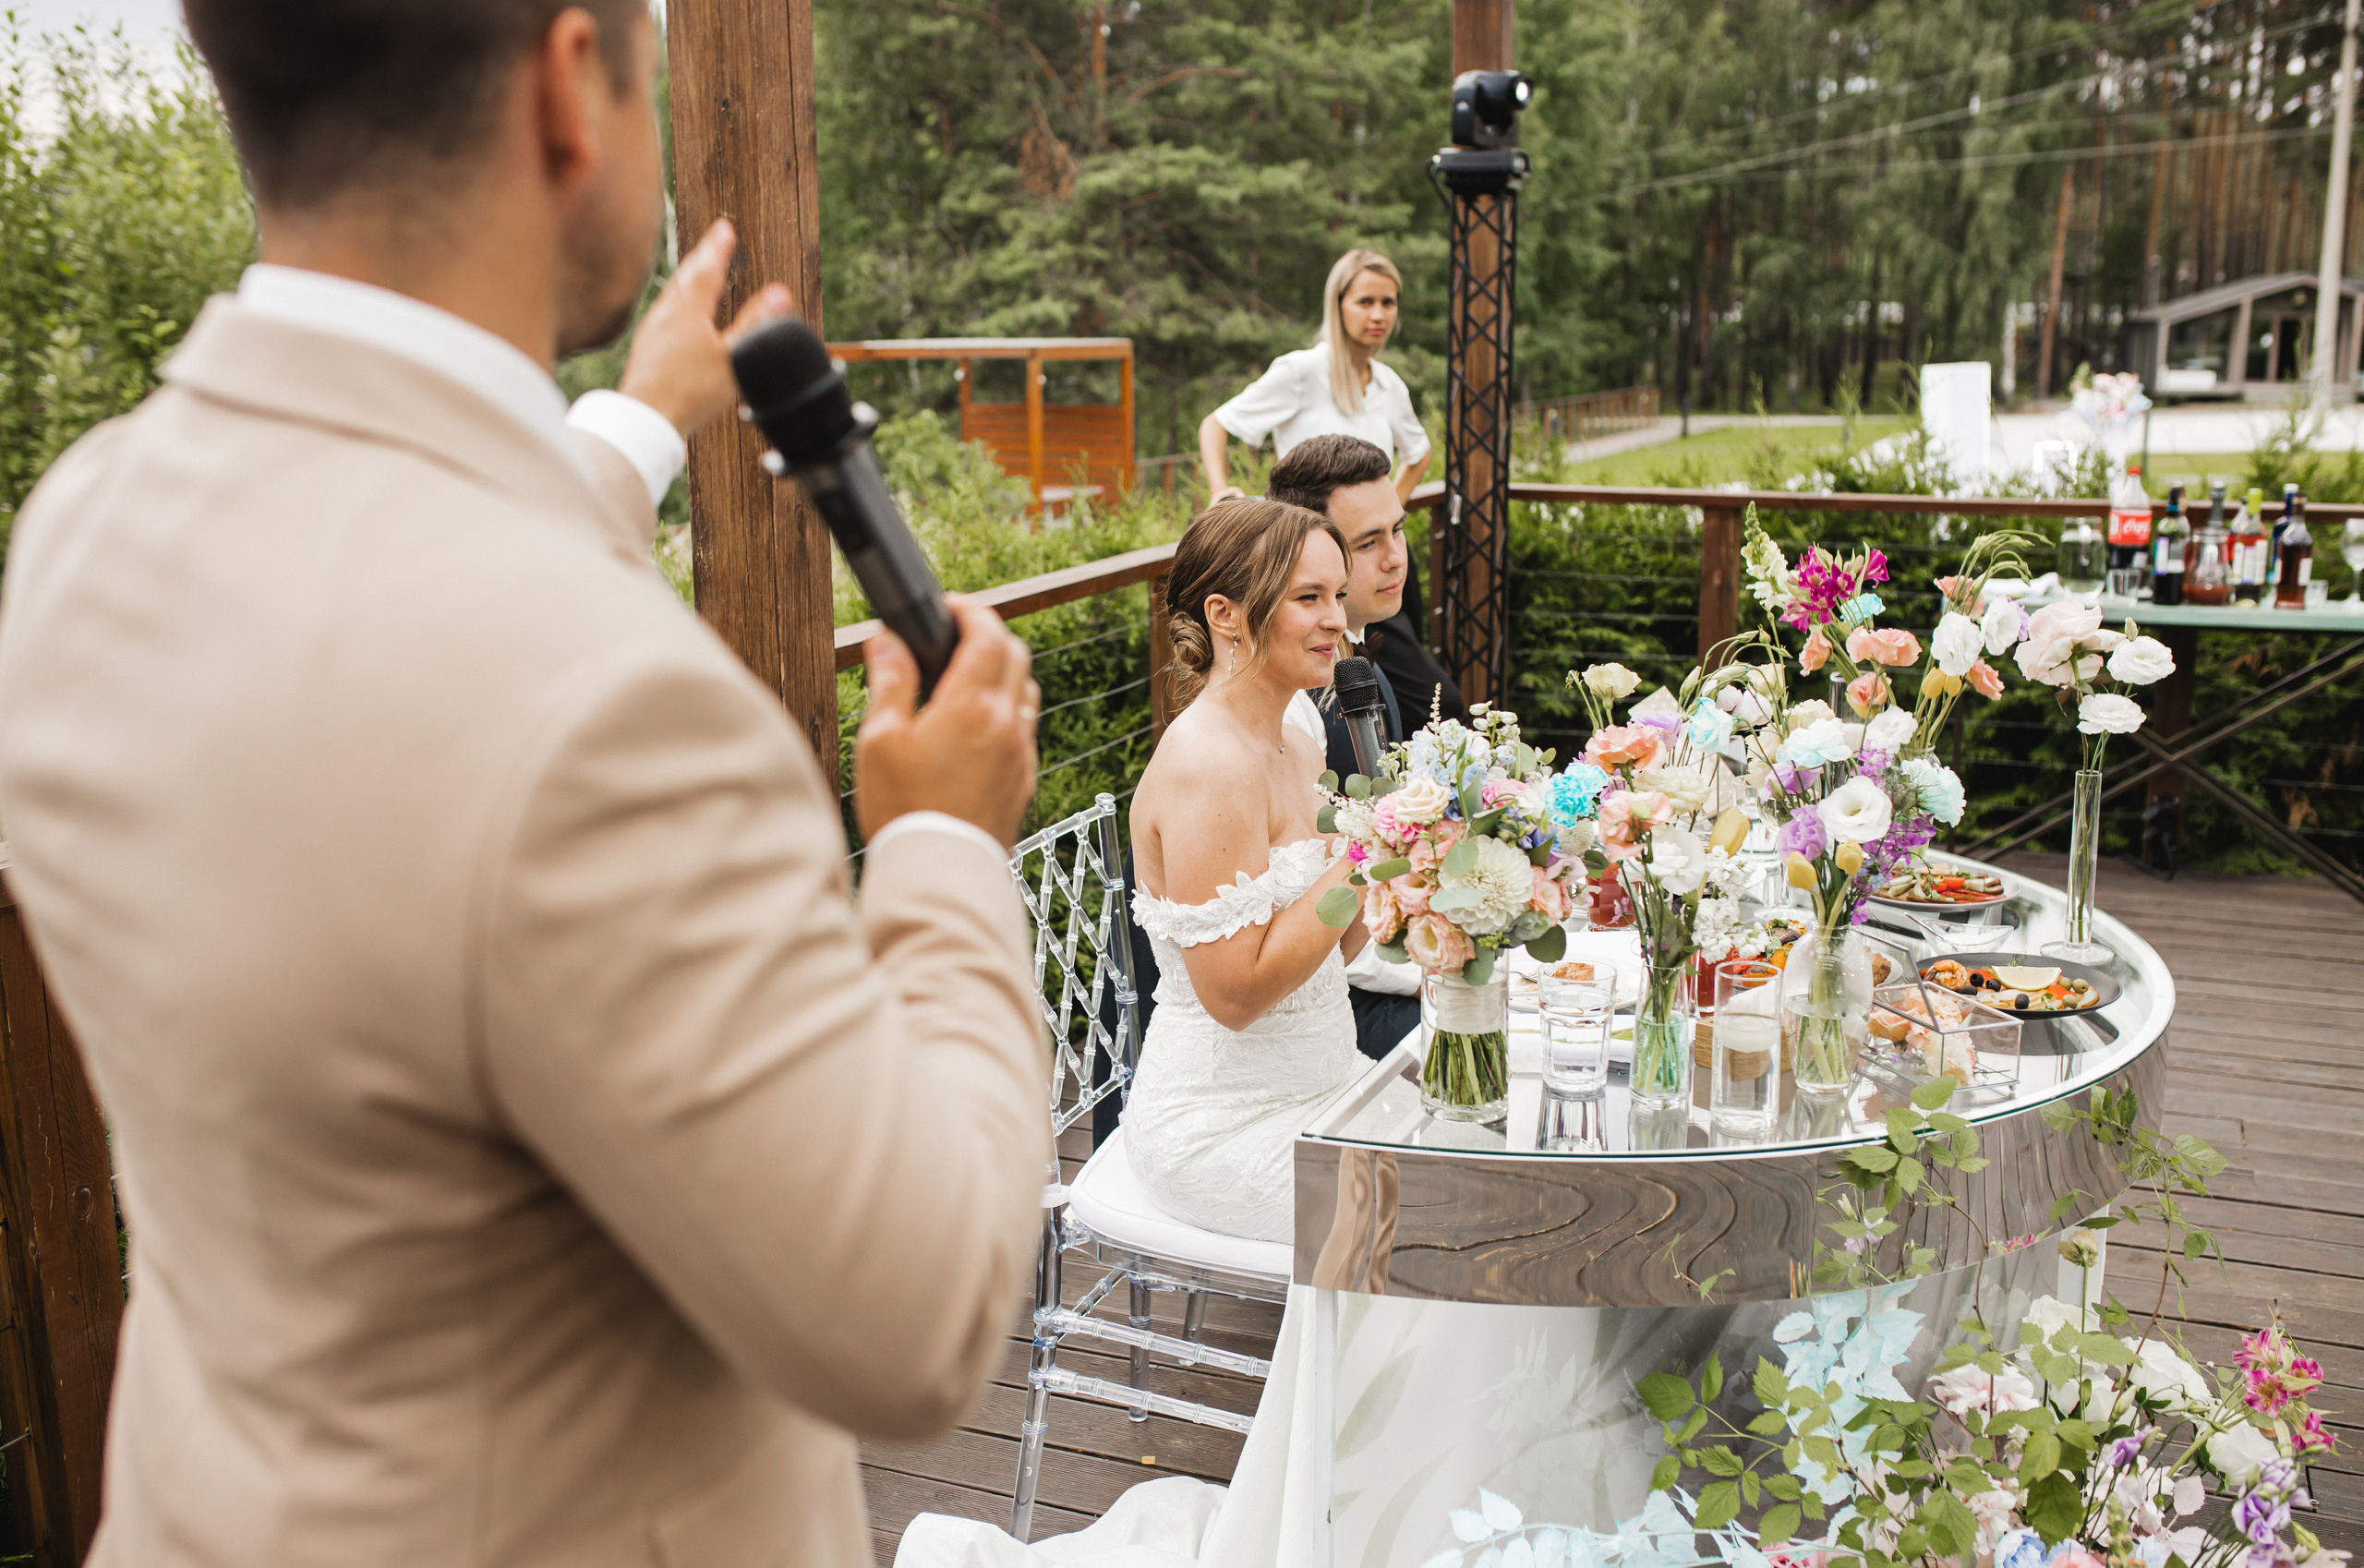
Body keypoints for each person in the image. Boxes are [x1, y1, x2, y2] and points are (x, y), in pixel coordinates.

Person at [0, 4, 1049, 1564]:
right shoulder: (613, 708)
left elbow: (387, 588)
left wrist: (637, 424)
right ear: (571, 87)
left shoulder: (86, 526)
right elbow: (916, 1319)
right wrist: (945, 849)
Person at [1120, 498, 1373, 1244]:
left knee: (1498, 1157)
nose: (1338, 620)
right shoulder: (1210, 763)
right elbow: (1234, 996)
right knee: (1452, 1217)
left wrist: (1410, 862)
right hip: (1226, 1124)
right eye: (1308, 598)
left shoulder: (1299, 744)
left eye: (1338, 594)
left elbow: (1338, 949)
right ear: (1226, 615)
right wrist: (1365, 851)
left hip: (1330, 1080)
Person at [1266, 433, 1464, 1059]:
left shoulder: (1362, 669)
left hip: (1381, 960)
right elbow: (1303, 922)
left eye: (1398, 532)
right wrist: (1443, 966)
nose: (1396, 558)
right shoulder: (1290, 712)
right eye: (1368, 543)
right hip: (1328, 1000)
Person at [1200, 248, 1431, 509]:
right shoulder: (1300, 371)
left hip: (1365, 548)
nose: (1378, 315)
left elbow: (1420, 453)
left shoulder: (1390, 386)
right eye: (1365, 302)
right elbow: (1214, 426)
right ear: (1338, 305)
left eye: (1387, 303)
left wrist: (1389, 515)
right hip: (1306, 543)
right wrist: (1220, 493)